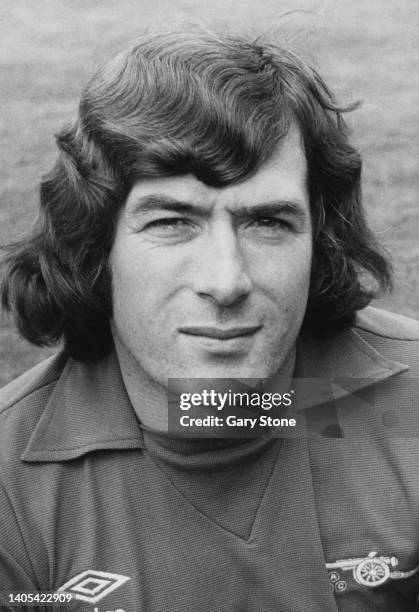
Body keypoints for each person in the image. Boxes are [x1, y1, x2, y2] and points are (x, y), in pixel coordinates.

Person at [0, 29, 418, 612]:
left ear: (319, 242)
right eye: (172, 221)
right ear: (97, 247)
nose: (226, 281)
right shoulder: (11, 487)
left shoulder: (403, 401)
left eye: (268, 222)